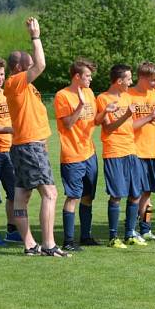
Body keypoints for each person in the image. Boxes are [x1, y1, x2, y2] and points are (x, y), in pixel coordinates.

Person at [4, 18, 66, 256]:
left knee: (22, 195)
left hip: (26, 145)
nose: (32, 70)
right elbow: (40, 65)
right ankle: (49, 244)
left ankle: (30, 245)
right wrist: (36, 36)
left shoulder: (24, 87)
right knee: (50, 193)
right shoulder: (15, 82)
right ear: (19, 69)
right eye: (27, 66)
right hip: (28, 146)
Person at [95, 64, 147, 248]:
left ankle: (130, 234)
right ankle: (113, 236)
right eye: (128, 79)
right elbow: (108, 127)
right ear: (119, 81)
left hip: (131, 150)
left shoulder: (127, 97)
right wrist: (126, 114)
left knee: (135, 194)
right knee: (117, 195)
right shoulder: (102, 99)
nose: (130, 82)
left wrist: (150, 117)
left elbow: (130, 126)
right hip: (114, 151)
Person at [53, 59, 100, 251]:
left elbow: (94, 120)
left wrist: (107, 113)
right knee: (73, 197)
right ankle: (68, 241)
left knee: (88, 196)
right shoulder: (62, 96)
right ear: (77, 76)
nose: (90, 79)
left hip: (90, 153)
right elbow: (68, 124)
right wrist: (80, 105)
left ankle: (86, 236)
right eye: (87, 76)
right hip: (73, 155)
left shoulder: (89, 93)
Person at [129, 61, 155, 241]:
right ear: (142, 77)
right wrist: (149, 117)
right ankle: (131, 229)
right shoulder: (128, 95)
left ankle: (146, 229)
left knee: (147, 193)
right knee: (135, 193)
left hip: (152, 151)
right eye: (153, 81)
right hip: (135, 151)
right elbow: (127, 126)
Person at [0, 57, 19, 246]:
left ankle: (12, 230)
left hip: (10, 150)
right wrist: (9, 129)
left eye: (2, 74)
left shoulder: (6, 94)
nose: (0, 78)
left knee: (14, 193)